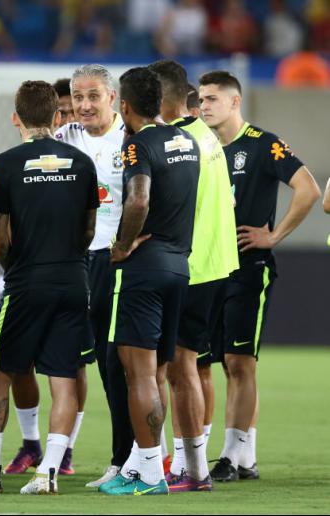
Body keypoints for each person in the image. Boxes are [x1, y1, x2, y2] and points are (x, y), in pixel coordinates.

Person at [0, 80, 98, 496]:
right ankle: (48, 472)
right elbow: (89, 227)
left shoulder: (3, 165)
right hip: (74, 280)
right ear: (58, 117)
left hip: (26, 282)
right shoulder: (82, 162)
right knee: (64, 377)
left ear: (16, 116)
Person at [198, 71, 320, 482]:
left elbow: (309, 190)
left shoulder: (263, 143)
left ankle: (231, 457)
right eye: (201, 99)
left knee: (239, 361)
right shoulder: (201, 146)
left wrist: (274, 236)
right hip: (207, 268)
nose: (204, 105)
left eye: (213, 98)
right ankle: (245, 457)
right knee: (220, 364)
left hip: (248, 268)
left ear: (235, 102)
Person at [99, 66, 200, 496]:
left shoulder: (139, 145)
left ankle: (151, 476)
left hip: (143, 269)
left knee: (137, 374)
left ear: (124, 105)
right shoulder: (186, 141)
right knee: (156, 371)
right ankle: (144, 465)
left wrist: (122, 244)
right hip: (179, 266)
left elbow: (138, 200)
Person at [148, 59, 239, 493]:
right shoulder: (208, 136)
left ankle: (194, 471)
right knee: (186, 367)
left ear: (162, 99)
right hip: (217, 264)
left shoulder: (178, 140)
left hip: (192, 266)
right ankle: (189, 465)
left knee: (180, 368)